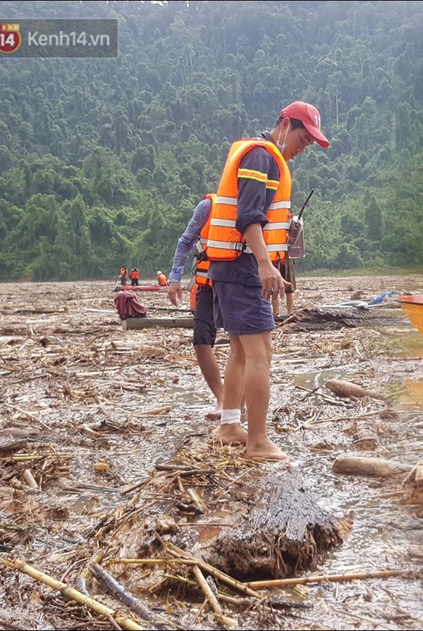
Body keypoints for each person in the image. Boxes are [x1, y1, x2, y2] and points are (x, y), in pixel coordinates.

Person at [206, 100, 329, 460]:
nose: (302, 149)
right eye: (303, 139)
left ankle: (230, 426)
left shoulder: (262, 156)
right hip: (243, 267)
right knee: (261, 352)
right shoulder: (262, 157)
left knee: (241, 351)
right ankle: (258, 442)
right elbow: (248, 216)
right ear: (285, 125)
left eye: (309, 144)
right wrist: (264, 264)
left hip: (232, 267)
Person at [167, 194, 225, 422]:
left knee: (243, 343)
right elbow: (185, 242)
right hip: (207, 285)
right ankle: (221, 398)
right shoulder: (208, 207)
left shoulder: (251, 201)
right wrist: (175, 278)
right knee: (201, 339)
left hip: (237, 285)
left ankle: (237, 398)